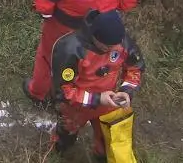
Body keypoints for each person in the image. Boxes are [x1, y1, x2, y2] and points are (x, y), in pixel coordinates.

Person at [50, 10, 145, 161]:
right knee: (66, 136)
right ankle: (61, 153)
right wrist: (97, 98)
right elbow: (63, 91)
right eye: (108, 47)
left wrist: (126, 91)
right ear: (95, 37)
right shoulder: (70, 49)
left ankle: (100, 156)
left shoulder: (120, 42)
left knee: (107, 140)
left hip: (108, 101)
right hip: (75, 106)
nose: (115, 50)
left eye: (117, 45)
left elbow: (135, 68)